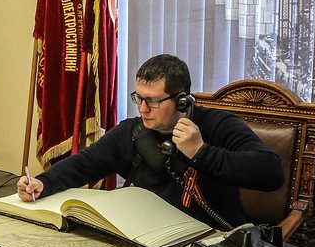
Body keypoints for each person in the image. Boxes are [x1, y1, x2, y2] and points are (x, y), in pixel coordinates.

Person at [17, 54, 284, 229]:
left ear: (182, 100)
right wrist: (44, 182)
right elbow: (83, 164)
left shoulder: (218, 126)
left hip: (209, 242)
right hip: (148, 237)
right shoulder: (132, 132)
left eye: (153, 101)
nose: (142, 109)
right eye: (139, 98)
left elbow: (271, 173)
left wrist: (201, 152)